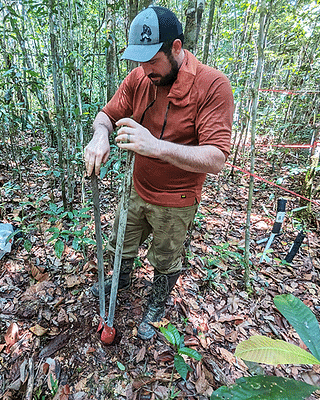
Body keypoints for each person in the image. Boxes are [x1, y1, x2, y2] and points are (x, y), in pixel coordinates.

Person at [84, 5, 234, 340]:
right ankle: (118, 282)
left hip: (177, 199)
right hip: (138, 188)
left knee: (165, 260)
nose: (144, 69)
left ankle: (156, 302)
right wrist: (99, 135)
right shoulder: (139, 77)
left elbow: (217, 158)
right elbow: (106, 115)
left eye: (152, 60)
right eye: (139, 60)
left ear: (176, 48)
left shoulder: (213, 86)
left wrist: (157, 147)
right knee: (120, 242)